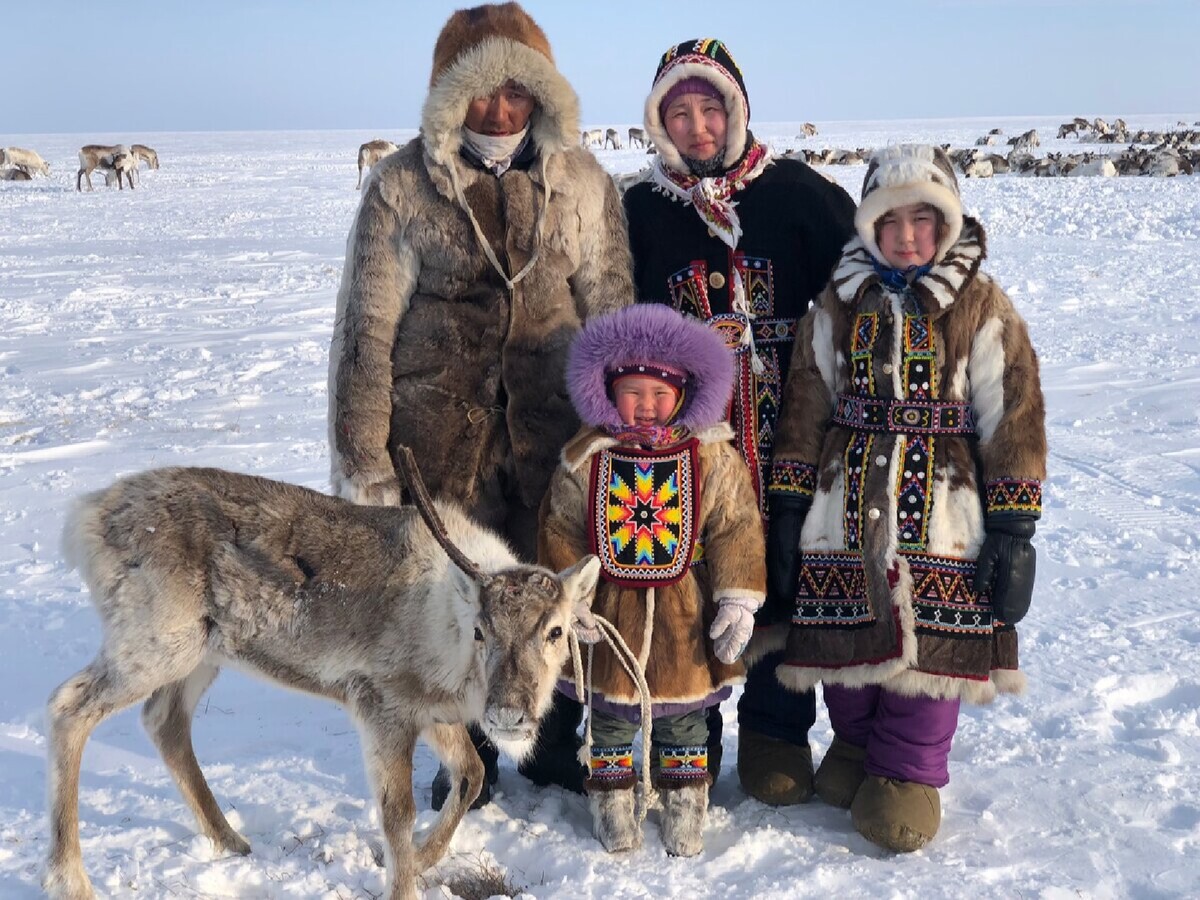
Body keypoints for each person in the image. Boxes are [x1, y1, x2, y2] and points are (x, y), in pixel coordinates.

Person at [327, 2, 633, 810]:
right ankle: (463, 751)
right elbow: (366, 331)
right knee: (457, 603)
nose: (499, 112)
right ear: (447, 96)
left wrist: (624, 428)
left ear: (543, 95)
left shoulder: (584, 183)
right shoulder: (401, 186)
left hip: (557, 437)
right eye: (480, 94)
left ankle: (555, 741)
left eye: (517, 92)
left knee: (551, 598)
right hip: (439, 441)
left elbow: (610, 307)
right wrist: (365, 461)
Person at [768, 144, 1047, 851]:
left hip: (944, 511)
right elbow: (806, 400)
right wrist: (793, 500)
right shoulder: (836, 302)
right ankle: (857, 749)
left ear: (947, 224)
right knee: (843, 649)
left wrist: (1014, 525)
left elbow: (1012, 408)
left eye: (925, 219)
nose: (909, 235)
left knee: (929, 661)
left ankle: (906, 773)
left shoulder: (981, 304)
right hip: (843, 501)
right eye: (892, 221)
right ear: (869, 226)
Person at [622, 37, 857, 805]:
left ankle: (776, 732)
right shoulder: (640, 210)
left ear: (736, 109)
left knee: (786, 573)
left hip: (795, 434)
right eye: (678, 112)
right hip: (688, 443)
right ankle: (689, 732)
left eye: (709, 107)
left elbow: (863, 294)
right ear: (660, 122)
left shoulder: (799, 194)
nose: (697, 126)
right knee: (691, 587)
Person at [539, 304, 766, 857]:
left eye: (660, 395)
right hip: (610, 613)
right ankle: (612, 799)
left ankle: (685, 797)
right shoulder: (587, 458)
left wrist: (737, 597)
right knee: (609, 718)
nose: (647, 405)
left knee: (685, 719)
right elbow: (560, 525)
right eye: (634, 393)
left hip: (684, 609)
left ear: (684, 394)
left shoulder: (711, 455)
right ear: (608, 393)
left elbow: (736, 523)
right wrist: (573, 600)